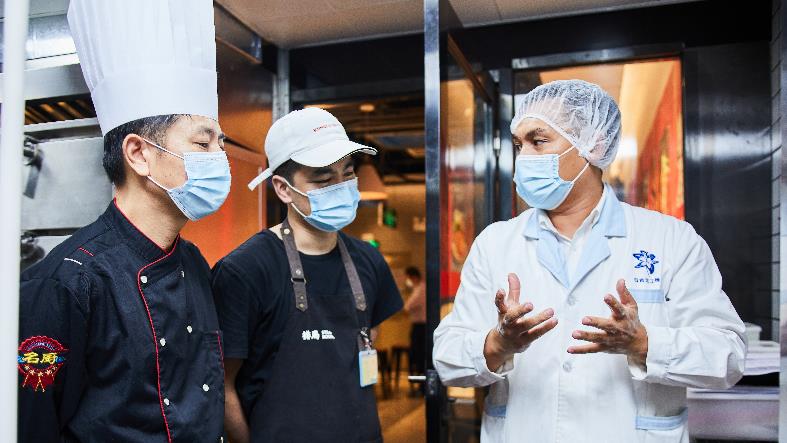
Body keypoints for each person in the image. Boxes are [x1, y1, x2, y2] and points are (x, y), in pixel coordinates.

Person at [433, 79, 746, 442]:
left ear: (593, 144)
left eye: (539, 141)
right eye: (519, 144)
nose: (524, 157)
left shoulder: (671, 239)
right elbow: (447, 359)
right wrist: (497, 344)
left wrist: (644, 343)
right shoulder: (495, 243)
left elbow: (728, 356)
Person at [17, 1, 229, 441]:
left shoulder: (193, 262)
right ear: (138, 154)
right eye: (203, 144)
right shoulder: (67, 282)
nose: (220, 159)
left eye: (220, 146)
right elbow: (33, 424)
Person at [212, 107, 404, 443]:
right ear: (283, 189)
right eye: (324, 180)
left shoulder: (369, 261)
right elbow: (221, 385)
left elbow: (363, 346)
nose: (341, 187)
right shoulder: (245, 270)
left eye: (348, 174)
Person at [404, 266, 426, 377]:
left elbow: (408, 306)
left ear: (414, 277)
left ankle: (421, 380)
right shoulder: (418, 288)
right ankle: (419, 378)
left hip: (421, 326)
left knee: (419, 353)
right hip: (419, 325)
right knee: (417, 353)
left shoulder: (420, 289)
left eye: (408, 277)